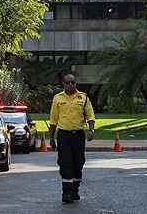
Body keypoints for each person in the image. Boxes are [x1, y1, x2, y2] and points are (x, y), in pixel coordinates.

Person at [49, 73, 95, 203]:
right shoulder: (57, 98)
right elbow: (53, 120)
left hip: (78, 135)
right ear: (63, 84)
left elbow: (90, 115)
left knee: (78, 163)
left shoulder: (83, 97)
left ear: (76, 84)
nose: (70, 85)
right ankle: (67, 192)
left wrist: (91, 129)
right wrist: (52, 138)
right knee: (65, 163)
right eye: (68, 83)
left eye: (73, 82)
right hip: (64, 136)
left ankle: (75, 190)